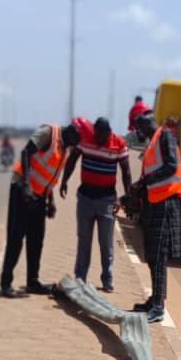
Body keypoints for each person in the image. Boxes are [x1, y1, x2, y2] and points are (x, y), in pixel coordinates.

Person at [0, 122, 81, 297]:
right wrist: (27, 186)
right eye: (77, 140)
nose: (77, 145)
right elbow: (25, 152)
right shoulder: (48, 133)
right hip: (22, 188)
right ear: (71, 131)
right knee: (16, 237)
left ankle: (32, 282)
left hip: (40, 195)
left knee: (36, 239)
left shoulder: (66, 147)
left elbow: (50, 174)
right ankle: (6, 283)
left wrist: (50, 200)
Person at [59, 116, 131, 293]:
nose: (98, 138)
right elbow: (72, 159)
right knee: (84, 240)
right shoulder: (85, 138)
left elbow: (126, 171)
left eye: (102, 135)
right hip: (85, 198)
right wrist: (64, 181)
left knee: (106, 242)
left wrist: (127, 197)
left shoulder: (119, 144)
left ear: (109, 132)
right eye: (96, 134)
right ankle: (80, 278)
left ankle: (107, 279)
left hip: (107, 199)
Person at [130, 111, 181, 323]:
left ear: (145, 125)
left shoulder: (165, 136)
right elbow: (149, 176)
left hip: (166, 203)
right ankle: (154, 299)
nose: (139, 133)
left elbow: (171, 166)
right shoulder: (153, 142)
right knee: (152, 255)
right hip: (154, 202)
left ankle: (159, 307)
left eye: (139, 129)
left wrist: (145, 182)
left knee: (160, 255)